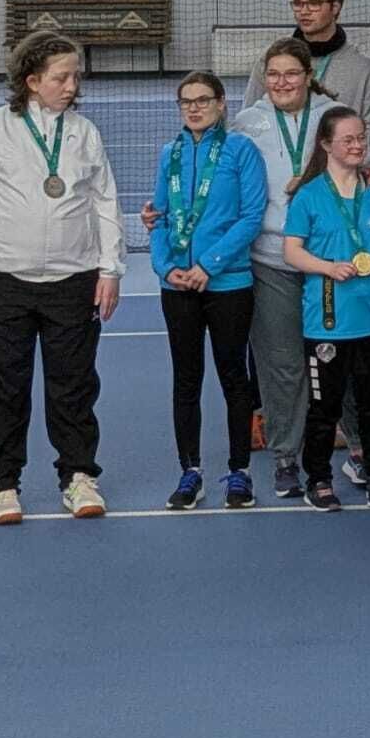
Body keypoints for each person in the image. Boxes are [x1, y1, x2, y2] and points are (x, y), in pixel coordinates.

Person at [0, 30, 124, 525]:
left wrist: (110, 268)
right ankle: (2, 485)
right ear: (31, 81)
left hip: (75, 280)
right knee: (3, 388)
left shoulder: (84, 132)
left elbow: (104, 202)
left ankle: (78, 477)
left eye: (75, 76)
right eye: (62, 77)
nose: (72, 85)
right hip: (3, 280)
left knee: (73, 387)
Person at [145, 71, 269, 511]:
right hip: (177, 287)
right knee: (186, 380)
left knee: (234, 377)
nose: (194, 108)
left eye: (203, 100)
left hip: (228, 283)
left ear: (221, 104)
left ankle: (240, 472)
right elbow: (157, 216)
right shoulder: (169, 154)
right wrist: (166, 267)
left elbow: (251, 216)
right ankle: (190, 471)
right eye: (186, 102)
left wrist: (208, 266)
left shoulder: (240, 151)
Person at [283, 108, 370, 512]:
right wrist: (328, 268)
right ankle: (318, 478)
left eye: (360, 139)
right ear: (326, 145)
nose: (357, 146)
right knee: (325, 406)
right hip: (329, 322)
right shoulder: (310, 195)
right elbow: (292, 251)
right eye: (347, 140)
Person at [233, 38, 339, 499]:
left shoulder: (332, 119)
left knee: (338, 358)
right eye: (273, 74)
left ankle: (354, 448)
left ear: (307, 75)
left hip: (327, 260)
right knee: (282, 365)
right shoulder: (247, 123)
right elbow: (225, 185)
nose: (281, 82)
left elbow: (363, 165)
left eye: (291, 73)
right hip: (270, 260)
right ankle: (284, 456)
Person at [247, 0, 370, 159]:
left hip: (337, 181)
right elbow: (249, 121)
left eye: (313, 3)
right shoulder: (268, 62)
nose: (303, 11)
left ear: (335, 7)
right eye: (297, 3)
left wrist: (339, 151)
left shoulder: (364, 70)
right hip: (279, 175)